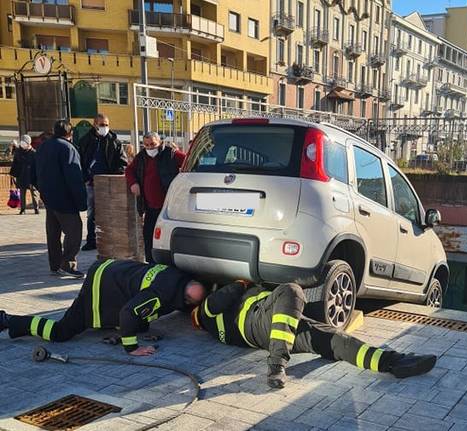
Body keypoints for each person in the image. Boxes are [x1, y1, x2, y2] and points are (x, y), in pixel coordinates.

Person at [192, 281, 437, 389]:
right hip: (261, 321)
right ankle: (277, 364)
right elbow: (227, 293)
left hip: (274, 331)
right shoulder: (203, 313)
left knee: (332, 339)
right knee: (292, 290)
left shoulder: (216, 326)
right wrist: (241, 282)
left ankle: (392, 362)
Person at [0, 259, 205, 356]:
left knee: (139, 322)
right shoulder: (161, 295)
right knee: (60, 332)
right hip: (99, 286)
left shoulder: (177, 274)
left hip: (111, 270)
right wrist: (133, 348)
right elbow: (128, 312)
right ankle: (9, 321)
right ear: (186, 300)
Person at [35, 120, 87, 278]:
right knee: (74, 231)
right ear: (70, 134)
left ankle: (55, 265)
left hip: (48, 198)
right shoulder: (67, 148)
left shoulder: (43, 146)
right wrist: (81, 201)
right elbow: (74, 177)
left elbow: (34, 170)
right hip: (65, 199)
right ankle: (68, 263)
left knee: (53, 233)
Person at [125, 132, 186, 263]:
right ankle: (151, 263)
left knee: (166, 237)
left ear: (159, 143)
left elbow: (188, 161)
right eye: (146, 145)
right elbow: (129, 170)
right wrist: (133, 183)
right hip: (150, 207)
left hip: (167, 206)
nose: (150, 148)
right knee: (148, 236)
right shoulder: (141, 157)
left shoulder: (170, 154)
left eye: (153, 144)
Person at [79, 114, 128, 251]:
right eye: (101, 125)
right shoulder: (86, 141)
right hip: (92, 183)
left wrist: (115, 176)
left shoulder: (115, 141)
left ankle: (111, 239)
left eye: (106, 124)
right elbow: (81, 162)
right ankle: (91, 240)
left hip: (109, 183)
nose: (104, 127)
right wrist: (86, 178)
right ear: (95, 124)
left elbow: (122, 162)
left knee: (111, 212)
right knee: (92, 213)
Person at [9, 135, 39, 215]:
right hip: (21, 174)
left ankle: (36, 208)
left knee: (34, 192)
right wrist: (13, 174)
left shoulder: (34, 153)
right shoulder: (18, 152)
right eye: (21, 142)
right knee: (22, 192)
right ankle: (22, 209)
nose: (22, 144)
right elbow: (15, 163)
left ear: (29, 143)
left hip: (31, 175)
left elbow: (37, 165)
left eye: (24, 143)